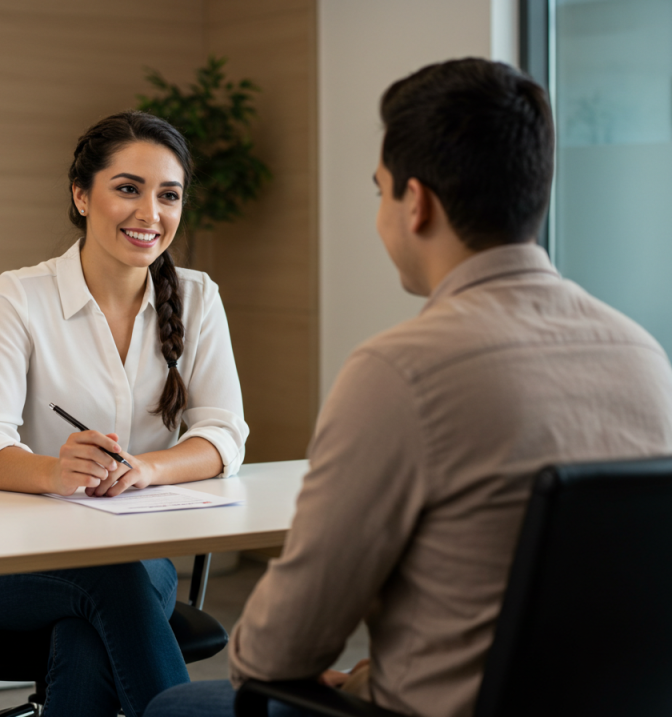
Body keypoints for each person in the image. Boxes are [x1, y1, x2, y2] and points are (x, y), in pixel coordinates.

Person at [145, 58, 672, 717]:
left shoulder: (402, 372)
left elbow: (278, 650)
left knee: (175, 705)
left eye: (379, 192)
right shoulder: (644, 356)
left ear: (416, 202)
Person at [0, 110, 249, 717]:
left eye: (169, 195)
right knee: (113, 583)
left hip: (136, 555)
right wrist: (55, 473)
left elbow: (223, 433)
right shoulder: (21, 294)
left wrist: (147, 469)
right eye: (128, 189)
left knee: (90, 631)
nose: (150, 213)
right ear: (82, 196)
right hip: (5, 561)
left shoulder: (196, 296)